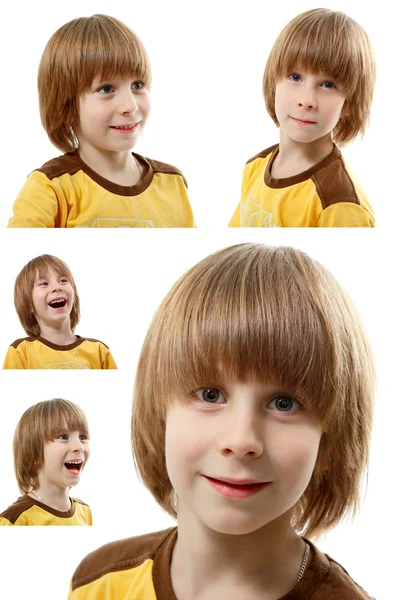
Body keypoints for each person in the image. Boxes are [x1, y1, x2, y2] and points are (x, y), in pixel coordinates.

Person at [69, 243, 375, 598]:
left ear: (329, 439)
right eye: (210, 395)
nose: (242, 440)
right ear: (160, 413)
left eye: (284, 403)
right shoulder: (98, 584)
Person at [8, 14, 195, 228]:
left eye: (137, 85)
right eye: (106, 89)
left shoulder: (173, 184)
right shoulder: (51, 187)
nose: (130, 106)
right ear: (67, 106)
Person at [229, 9, 376, 227]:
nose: (307, 100)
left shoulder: (340, 205)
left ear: (350, 103)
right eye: (295, 77)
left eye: (328, 84)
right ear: (274, 82)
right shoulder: (255, 167)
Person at [3, 254, 117, 369]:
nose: (57, 287)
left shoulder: (99, 351)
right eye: (44, 284)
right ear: (29, 305)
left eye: (62, 281)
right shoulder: (21, 352)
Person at [0, 398, 92, 526]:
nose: (79, 446)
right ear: (34, 454)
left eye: (82, 437)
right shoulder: (14, 521)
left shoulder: (85, 512)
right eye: (63, 437)